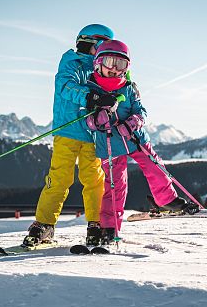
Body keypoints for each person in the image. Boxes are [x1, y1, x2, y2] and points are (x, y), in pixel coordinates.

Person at [83, 39, 198, 245]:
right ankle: (110, 226)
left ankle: (167, 200)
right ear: (98, 63)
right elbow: (88, 121)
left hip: (135, 139)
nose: (114, 69)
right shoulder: (91, 91)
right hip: (110, 145)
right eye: (109, 62)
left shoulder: (129, 87)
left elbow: (141, 111)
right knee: (115, 186)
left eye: (120, 64)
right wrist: (99, 117)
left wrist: (132, 123)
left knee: (155, 167)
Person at [24, 24, 119, 247]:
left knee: (94, 180)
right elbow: (66, 86)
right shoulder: (71, 62)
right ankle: (44, 224)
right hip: (67, 131)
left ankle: (95, 225)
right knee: (59, 178)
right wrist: (94, 98)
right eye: (103, 46)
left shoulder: (100, 69)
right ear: (93, 44)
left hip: (92, 133)